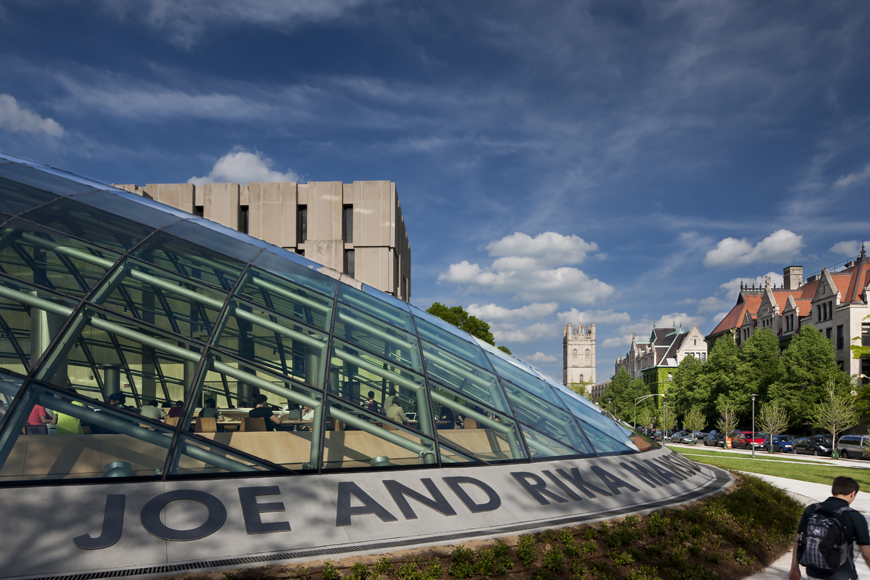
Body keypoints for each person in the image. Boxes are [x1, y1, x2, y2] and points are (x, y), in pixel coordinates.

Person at [790, 476, 870, 580]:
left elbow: (798, 540)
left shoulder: (812, 509)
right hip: (842, 574)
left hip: (813, 572)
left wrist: (794, 567)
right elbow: (867, 554)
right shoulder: (855, 517)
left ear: (833, 490)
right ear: (853, 493)